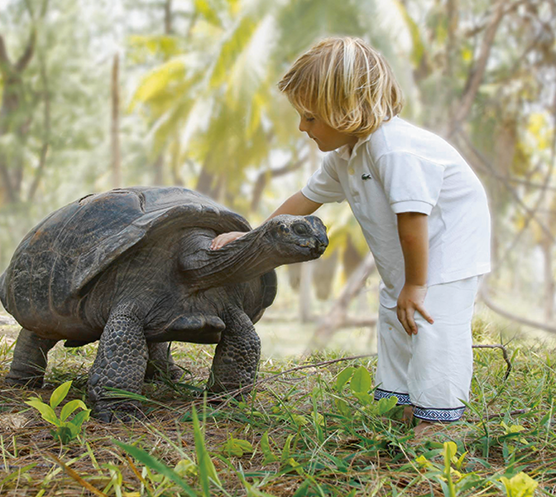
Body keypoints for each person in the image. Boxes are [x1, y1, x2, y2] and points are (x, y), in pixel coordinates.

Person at [210, 37, 491, 434]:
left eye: (310, 117)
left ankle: (440, 424)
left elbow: (413, 217)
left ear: (345, 110)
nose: (302, 127)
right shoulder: (344, 157)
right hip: (409, 261)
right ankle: (400, 406)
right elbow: (304, 200)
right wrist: (251, 238)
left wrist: (415, 283)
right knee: (396, 318)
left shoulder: (393, 148)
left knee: (433, 328)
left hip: (447, 251)